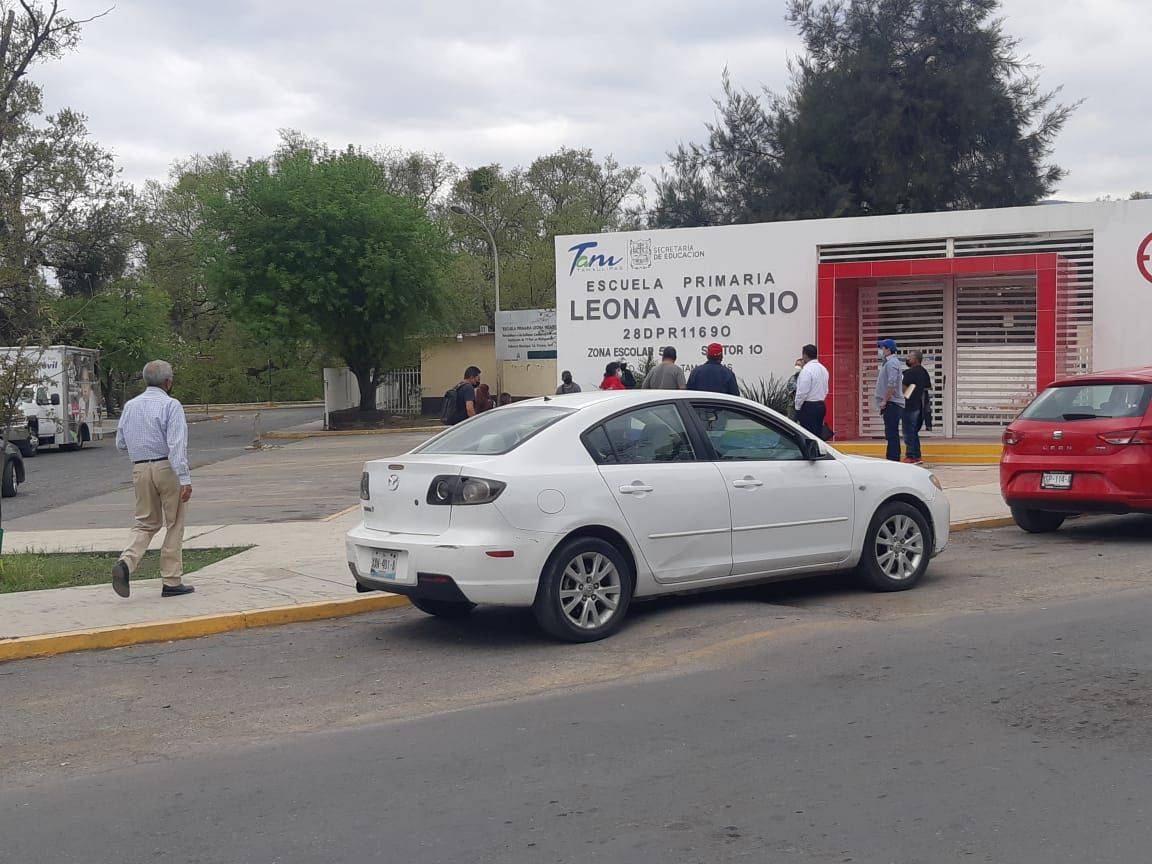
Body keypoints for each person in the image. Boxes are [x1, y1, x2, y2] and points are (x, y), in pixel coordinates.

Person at [111, 360, 194, 599]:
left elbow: (120, 444)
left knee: (145, 522)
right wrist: (185, 478)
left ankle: (126, 562)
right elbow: (177, 445)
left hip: (139, 468)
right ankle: (171, 579)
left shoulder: (130, 406)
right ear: (168, 382)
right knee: (174, 522)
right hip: (166, 466)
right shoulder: (171, 405)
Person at [874, 339, 906, 462]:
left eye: (882, 348)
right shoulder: (888, 363)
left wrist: (884, 401)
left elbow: (891, 384)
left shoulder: (892, 363)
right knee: (890, 433)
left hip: (892, 403)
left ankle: (893, 458)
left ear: (888, 349)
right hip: (891, 403)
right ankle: (892, 457)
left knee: (892, 433)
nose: (880, 351)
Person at [901, 350, 932, 464]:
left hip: (910, 406)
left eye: (909, 357)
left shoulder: (909, 373)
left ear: (915, 359)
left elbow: (904, 389)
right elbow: (925, 389)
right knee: (913, 431)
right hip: (920, 406)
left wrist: (905, 396)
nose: (907, 358)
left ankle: (911, 456)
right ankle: (917, 456)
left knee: (909, 431)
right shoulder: (924, 372)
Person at [794, 344, 829, 438]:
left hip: (809, 407)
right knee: (817, 435)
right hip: (821, 405)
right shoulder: (823, 369)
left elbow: (802, 392)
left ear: (805, 355)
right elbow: (826, 389)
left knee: (808, 436)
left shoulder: (807, 370)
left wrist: (797, 408)